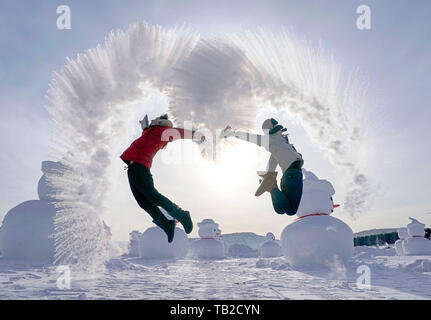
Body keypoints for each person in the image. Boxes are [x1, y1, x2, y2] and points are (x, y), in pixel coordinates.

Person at [121, 114, 204, 242]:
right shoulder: (149, 131)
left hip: (140, 167)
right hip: (132, 168)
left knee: (153, 196)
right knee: (143, 202)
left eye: (156, 120)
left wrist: (196, 135)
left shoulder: (163, 132)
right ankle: (166, 224)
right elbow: (145, 132)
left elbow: (180, 133)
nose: (153, 121)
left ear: (160, 123)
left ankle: (182, 214)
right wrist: (144, 125)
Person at [221, 118, 304, 216]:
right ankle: (271, 186)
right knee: (290, 210)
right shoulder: (275, 140)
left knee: (280, 210)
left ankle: (272, 186)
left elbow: (273, 159)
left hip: (289, 175)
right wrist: (231, 133)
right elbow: (250, 137)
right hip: (293, 174)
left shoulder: (279, 143)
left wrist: (268, 175)